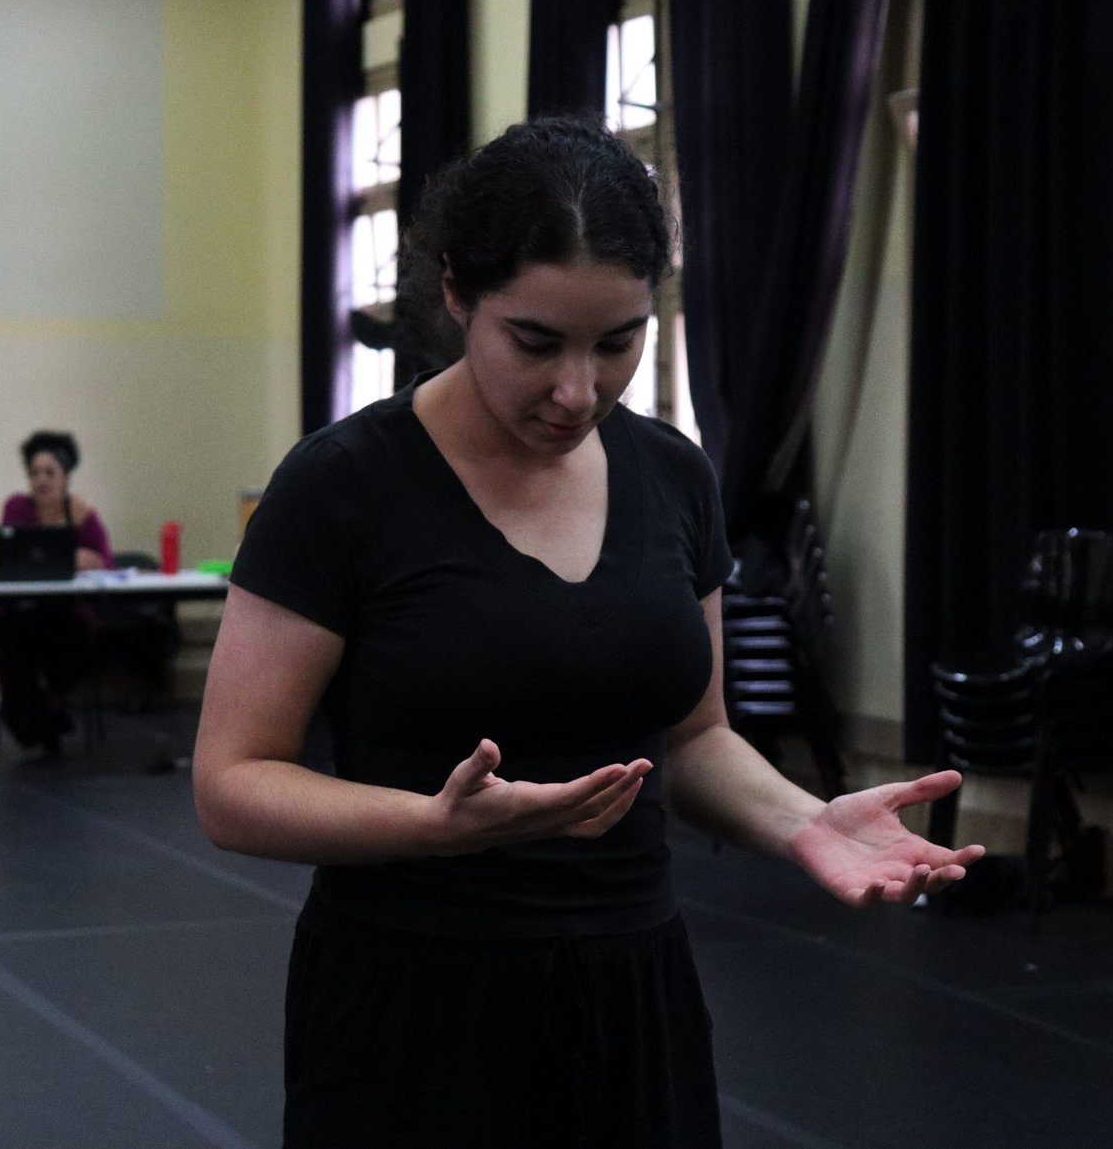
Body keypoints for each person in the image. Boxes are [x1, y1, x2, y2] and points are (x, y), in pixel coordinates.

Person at [192, 117, 985, 1149]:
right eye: (535, 342)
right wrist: (434, 824)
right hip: (411, 1001)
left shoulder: (671, 475)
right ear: (454, 295)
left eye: (618, 342)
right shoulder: (344, 485)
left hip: (630, 985)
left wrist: (801, 821)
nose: (579, 390)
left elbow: (692, 735)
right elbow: (232, 781)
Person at [0, 430, 114, 755]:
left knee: (77, 635)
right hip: (18, 611)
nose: (40, 480)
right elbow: (16, 556)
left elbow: (105, 563)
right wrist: (71, 555)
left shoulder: (81, 511)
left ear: (66, 476)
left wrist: (88, 559)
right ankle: (39, 719)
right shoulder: (17, 507)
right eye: (34, 473)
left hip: (63, 612)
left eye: (49, 472)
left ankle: (47, 707)